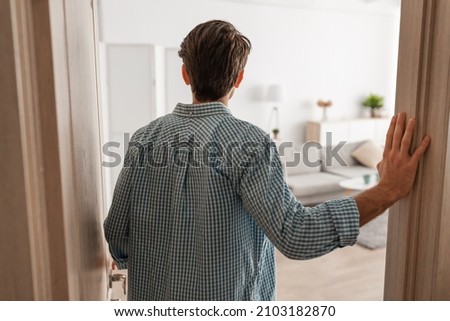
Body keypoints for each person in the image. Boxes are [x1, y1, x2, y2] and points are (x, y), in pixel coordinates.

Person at [104, 20, 430, 301]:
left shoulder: (143, 138)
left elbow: (116, 230)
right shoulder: (250, 143)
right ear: (239, 79)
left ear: (185, 73)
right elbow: (296, 235)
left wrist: (140, 260)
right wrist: (388, 188)